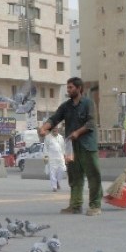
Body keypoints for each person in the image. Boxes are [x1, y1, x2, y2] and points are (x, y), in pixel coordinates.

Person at [39, 77, 103, 216]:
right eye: (67, 88)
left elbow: (91, 123)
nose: (68, 90)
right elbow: (55, 118)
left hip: (87, 145)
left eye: (71, 88)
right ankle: (75, 205)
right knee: (74, 176)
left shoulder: (88, 103)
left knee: (93, 175)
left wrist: (78, 132)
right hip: (71, 147)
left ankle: (95, 205)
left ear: (79, 89)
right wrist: (44, 128)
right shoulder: (66, 106)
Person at [43, 126, 66, 192]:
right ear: (51, 130)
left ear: (58, 129)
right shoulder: (48, 137)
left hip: (60, 158)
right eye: (53, 129)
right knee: (52, 173)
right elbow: (45, 148)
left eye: (56, 128)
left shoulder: (61, 137)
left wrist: (64, 155)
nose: (55, 130)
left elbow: (63, 148)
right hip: (51, 158)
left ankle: (57, 182)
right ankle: (54, 187)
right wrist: (46, 156)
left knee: (61, 171)